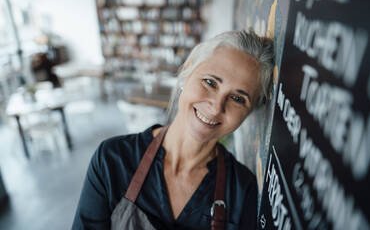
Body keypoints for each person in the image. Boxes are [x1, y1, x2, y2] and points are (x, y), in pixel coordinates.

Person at [72, 29, 274, 230]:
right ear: (187, 71)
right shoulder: (112, 160)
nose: (216, 107)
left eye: (238, 98)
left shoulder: (242, 189)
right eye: (210, 82)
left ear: (249, 112)